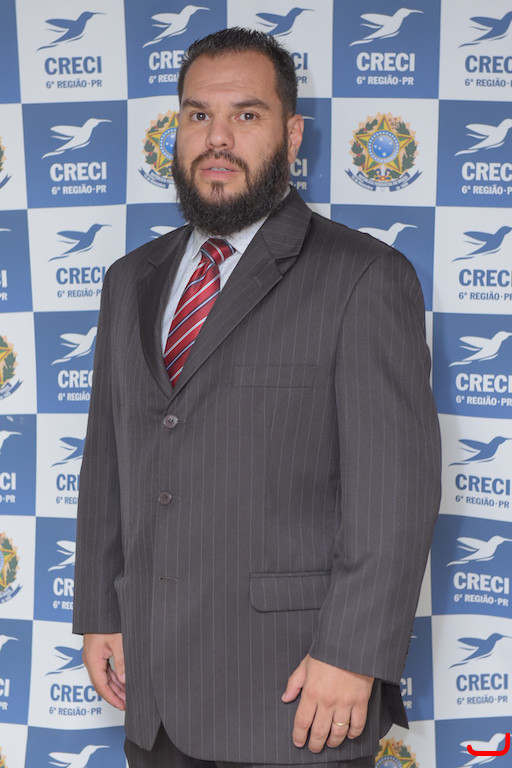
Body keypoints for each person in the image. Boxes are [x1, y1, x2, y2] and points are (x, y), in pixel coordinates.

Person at [73, 27, 441, 768]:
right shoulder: (129, 280)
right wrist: (102, 613)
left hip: (295, 696)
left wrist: (353, 654)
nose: (218, 138)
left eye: (246, 114)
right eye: (198, 114)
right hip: (154, 698)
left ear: (292, 134)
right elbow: (109, 459)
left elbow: (395, 493)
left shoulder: (364, 277)